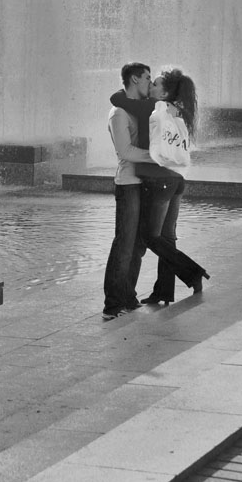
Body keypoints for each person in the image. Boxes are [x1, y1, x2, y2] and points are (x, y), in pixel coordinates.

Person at [110, 67, 210, 306]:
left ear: (164, 93)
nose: (151, 86)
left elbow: (117, 98)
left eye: (154, 83)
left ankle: (192, 272)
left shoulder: (153, 107)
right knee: (166, 237)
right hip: (177, 179)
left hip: (160, 181)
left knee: (150, 236)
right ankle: (164, 290)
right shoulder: (179, 110)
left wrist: (129, 87)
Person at [103, 63, 153, 319]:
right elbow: (125, 151)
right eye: (147, 78)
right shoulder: (119, 113)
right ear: (134, 79)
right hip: (128, 184)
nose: (150, 83)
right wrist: (156, 156)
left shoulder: (140, 108)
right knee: (124, 244)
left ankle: (128, 296)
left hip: (144, 182)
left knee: (138, 245)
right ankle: (112, 304)